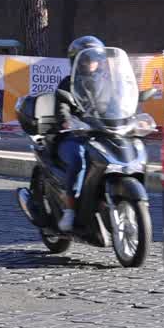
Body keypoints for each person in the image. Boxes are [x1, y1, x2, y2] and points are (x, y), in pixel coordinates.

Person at [54, 35, 107, 232]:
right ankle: (70, 209)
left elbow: (118, 103)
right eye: (86, 59)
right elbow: (62, 106)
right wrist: (66, 120)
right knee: (79, 159)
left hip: (102, 133)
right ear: (77, 61)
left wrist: (132, 115)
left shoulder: (108, 83)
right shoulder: (68, 83)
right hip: (74, 135)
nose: (91, 63)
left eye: (94, 58)